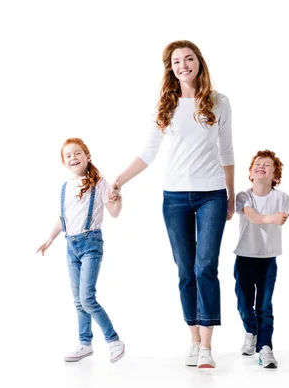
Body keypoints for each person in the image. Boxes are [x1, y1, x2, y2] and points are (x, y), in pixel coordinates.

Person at [109, 40, 234, 368]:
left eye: (188, 59)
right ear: (171, 68)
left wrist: (231, 196)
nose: (183, 65)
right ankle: (193, 339)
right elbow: (148, 152)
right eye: (176, 61)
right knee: (185, 270)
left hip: (212, 195)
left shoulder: (220, 103)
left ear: (199, 62)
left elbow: (227, 152)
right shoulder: (166, 105)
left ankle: (207, 346)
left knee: (205, 266)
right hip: (175, 197)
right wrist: (120, 179)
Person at [37, 138, 125, 364]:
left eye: (78, 153)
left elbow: (114, 212)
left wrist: (118, 198)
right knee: (78, 300)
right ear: (64, 162)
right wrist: (50, 239)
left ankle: (114, 340)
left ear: (87, 156)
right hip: (70, 245)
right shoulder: (66, 187)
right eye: (68, 155)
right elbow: (63, 217)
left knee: (87, 298)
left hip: (90, 243)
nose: (73, 158)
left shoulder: (99, 183)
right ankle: (85, 343)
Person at [234, 150, 289, 368]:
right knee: (244, 305)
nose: (261, 166)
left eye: (267, 165)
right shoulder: (244, 196)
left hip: (268, 260)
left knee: (264, 307)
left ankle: (265, 348)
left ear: (275, 176)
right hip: (244, 259)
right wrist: (273, 218)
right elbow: (253, 217)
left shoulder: (280, 197)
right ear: (251, 173)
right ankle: (251, 331)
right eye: (257, 164)